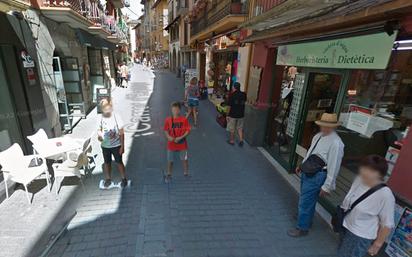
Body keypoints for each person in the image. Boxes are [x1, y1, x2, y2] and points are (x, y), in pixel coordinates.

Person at [288, 113, 344, 237]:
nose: (324, 128)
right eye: (322, 125)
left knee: (305, 201)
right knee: (307, 199)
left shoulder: (336, 143)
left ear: (333, 127)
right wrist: (301, 165)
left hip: (318, 174)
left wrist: (327, 186)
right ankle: (306, 219)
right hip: (308, 170)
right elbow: (310, 153)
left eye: (327, 126)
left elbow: (334, 166)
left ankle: (302, 227)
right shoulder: (318, 136)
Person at [337, 155, 395, 257]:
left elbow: (387, 224)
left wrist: (376, 245)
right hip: (346, 225)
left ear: (380, 174)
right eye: (363, 167)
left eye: (370, 170)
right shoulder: (359, 180)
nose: (363, 171)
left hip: (360, 236)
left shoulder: (385, 194)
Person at [97, 99, 128, 188]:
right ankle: (108, 178)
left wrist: (122, 146)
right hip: (105, 145)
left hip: (116, 145)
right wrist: (99, 136)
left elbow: (121, 132)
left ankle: (123, 178)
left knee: (119, 162)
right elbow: (99, 129)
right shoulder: (100, 117)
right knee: (107, 162)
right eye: (103, 107)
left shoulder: (116, 116)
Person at [164, 102, 191, 179]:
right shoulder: (168, 120)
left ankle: (186, 173)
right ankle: (169, 174)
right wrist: (168, 136)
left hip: (182, 144)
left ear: (179, 110)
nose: (175, 111)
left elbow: (188, 131)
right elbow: (165, 130)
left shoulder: (183, 120)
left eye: (176, 110)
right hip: (171, 143)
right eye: (173, 110)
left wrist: (181, 137)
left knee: (184, 159)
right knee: (170, 160)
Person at [226, 82, 247, 147]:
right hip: (241, 114)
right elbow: (244, 101)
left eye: (233, 86)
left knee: (232, 128)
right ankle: (241, 140)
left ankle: (232, 141)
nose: (232, 87)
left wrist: (227, 115)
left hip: (233, 114)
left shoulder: (232, 95)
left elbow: (229, 106)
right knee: (240, 128)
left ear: (234, 87)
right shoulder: (244, 94)